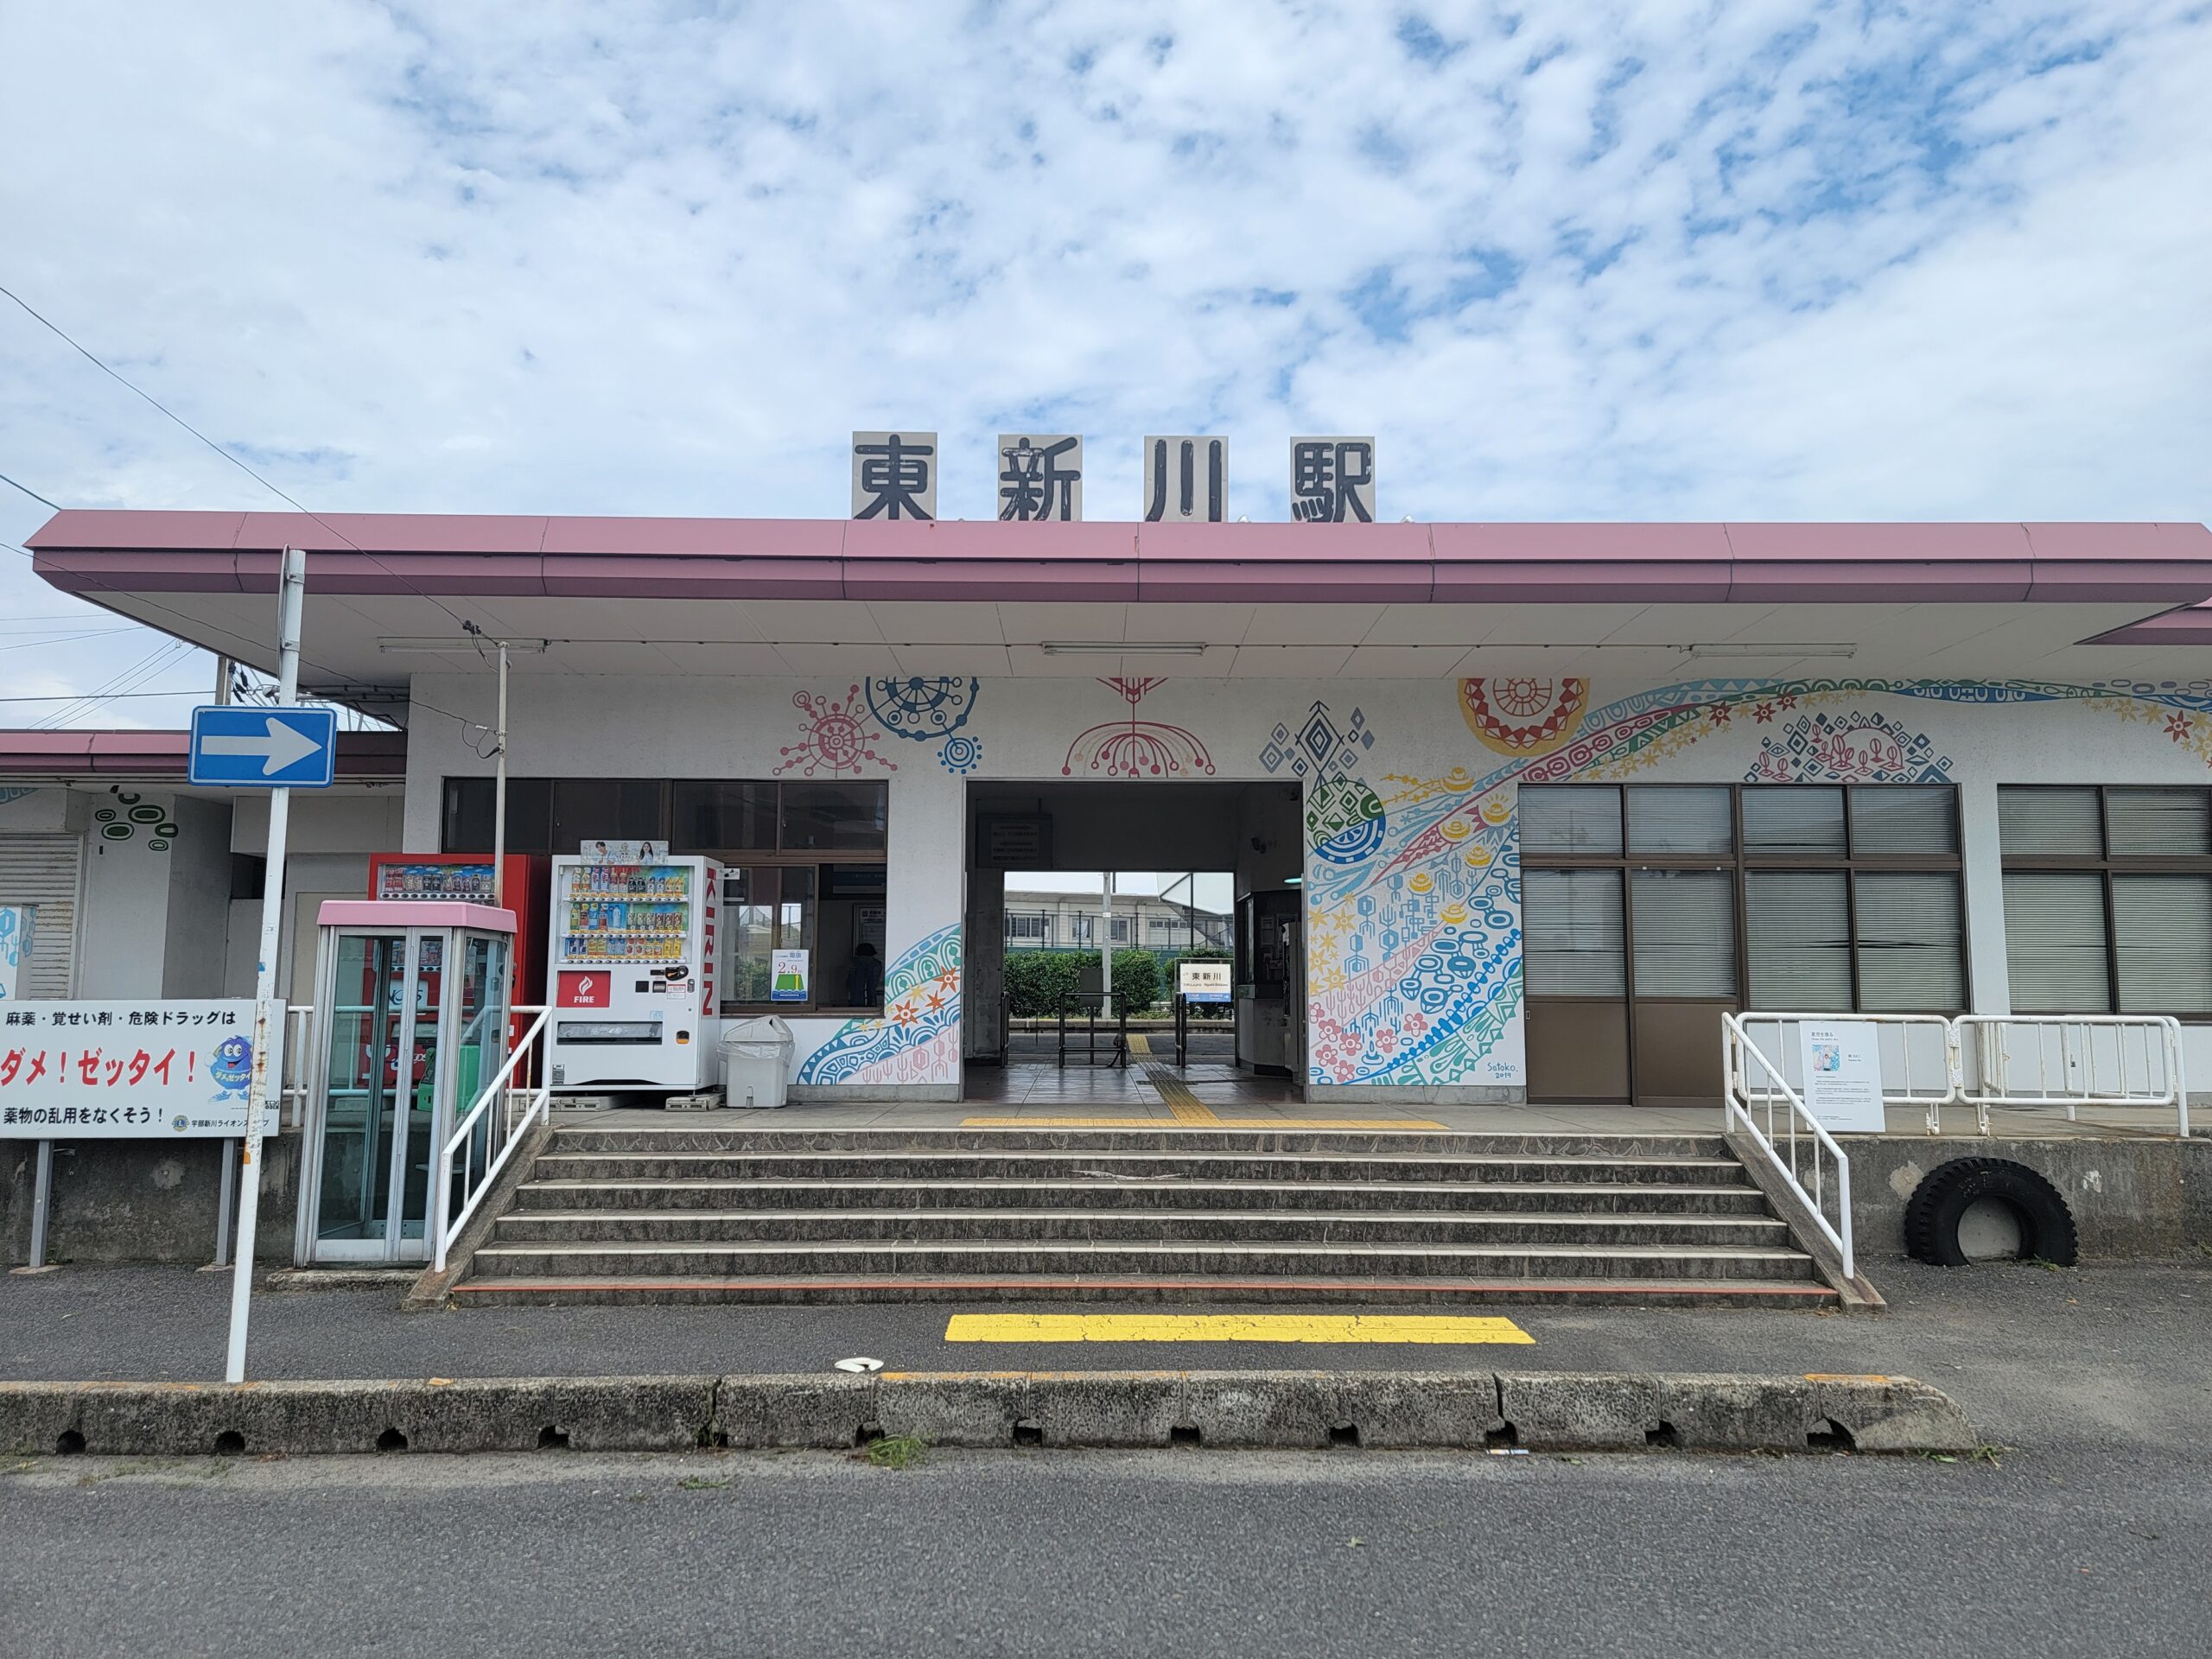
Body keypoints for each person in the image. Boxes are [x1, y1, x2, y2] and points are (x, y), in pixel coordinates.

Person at [845, 940, 883, 1007]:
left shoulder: (853, 963)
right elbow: (876, 981)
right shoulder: (877, 964)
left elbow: (848, 980)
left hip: (855, 1000)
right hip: (872, 1001)